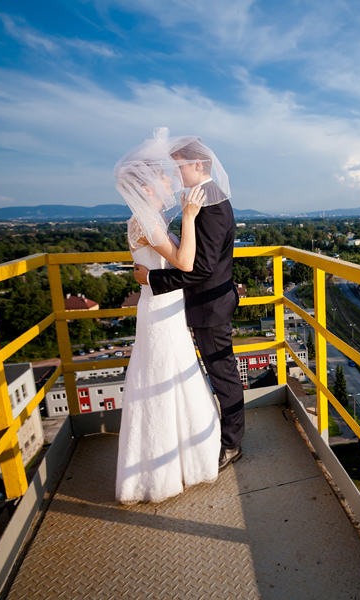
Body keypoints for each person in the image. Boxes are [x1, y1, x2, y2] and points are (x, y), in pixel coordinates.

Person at [114, 128, 221, 504]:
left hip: (164, 305)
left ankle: (178, 462)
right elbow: (186, 262)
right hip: (161, 310)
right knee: (163, 377)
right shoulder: (146, 222)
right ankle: (161, 472)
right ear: (144, 187)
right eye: (160, 176)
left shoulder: (146, 220)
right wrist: (190, 216)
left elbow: (164, 264)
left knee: (173, 376)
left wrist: (149, 274)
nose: (168, 179)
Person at [132, 135, 245, 473]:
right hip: (207, 304)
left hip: (209, 306)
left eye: (179, 165)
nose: (174, 172)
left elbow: (200, 269)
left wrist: (152, 280)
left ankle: (232, 444)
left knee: (223, 375)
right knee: (216, 373)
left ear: (198, 164)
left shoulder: (208, 205)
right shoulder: (207, 198)